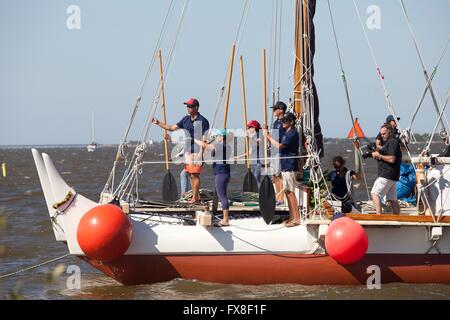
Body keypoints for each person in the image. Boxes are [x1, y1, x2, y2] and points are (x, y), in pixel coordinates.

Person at [152, 98, 209, 203]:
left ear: (196, 107)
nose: (188, 108)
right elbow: (171, 128)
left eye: (190, 106)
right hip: (188, 152)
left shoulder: (203, 121)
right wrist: (158, 122)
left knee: (194, 174)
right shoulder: (185, 119)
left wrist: (201, 154)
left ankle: (195, 198)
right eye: (187, 106)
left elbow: (205, 139)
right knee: (189, 174)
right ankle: (195, 197)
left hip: (197, 152)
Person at [263, 112, 300, 227]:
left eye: (285, 121)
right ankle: (291, 216)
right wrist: (267, 131)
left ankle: (296, 219)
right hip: (284, 165)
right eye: (282, 120)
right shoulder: (286, 132)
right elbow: (276, 139)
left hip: (290, 166)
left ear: (291, 122)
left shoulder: (292, 134)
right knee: (287, 192)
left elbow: (279, 146)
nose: (282, 122)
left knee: (290, 193)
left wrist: (267, 136)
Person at [195, 129, 232, 226]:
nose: (216, 138)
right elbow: (208, 150)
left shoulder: (222, 145)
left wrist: (194, 140)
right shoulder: (224, 146)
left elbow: (205, 146)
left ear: (221, 137)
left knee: (222, 196)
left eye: (218, 136)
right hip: (222, 173)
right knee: (221, 195)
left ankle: (225, 220)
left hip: (221, 174)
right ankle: (224, 217)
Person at [371, 124, 402, 214]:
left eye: (384, 134)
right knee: (392, 199)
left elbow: (392, 159)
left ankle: (379, 216)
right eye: (381, 134)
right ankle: (397, 219)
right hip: (392, 175)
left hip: (387, 174)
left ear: (390, 132)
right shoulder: (390, 143)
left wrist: (379, 156)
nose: (382, 136)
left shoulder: (392, 142)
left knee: (375, 193)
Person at [235, 120, 262, 186]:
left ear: (254, 127)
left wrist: (248, 138)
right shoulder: (253, 137)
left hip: (259, 162)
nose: (248, 129)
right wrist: (239, 157)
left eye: (249, 127)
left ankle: (260, 194)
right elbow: (250, 152)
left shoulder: (259, 135)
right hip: (253, 162)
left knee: (256, 179)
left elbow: (258, 142)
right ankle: (254, 193)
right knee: (251, 178)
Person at [270, 101, 287, 205]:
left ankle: (281, 198)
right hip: (274, 150)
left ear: (281, 110)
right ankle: (278, 196)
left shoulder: (284, 122)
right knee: (274, 175)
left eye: (275, 109)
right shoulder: (276, 122)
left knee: (279, 174)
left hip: (280, 151)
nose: (274, 111)